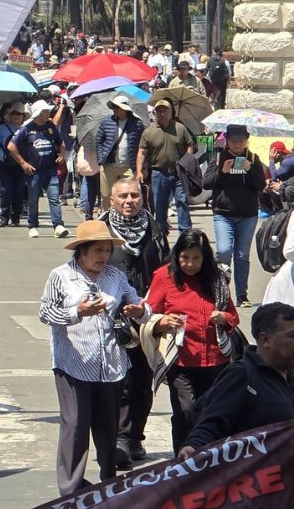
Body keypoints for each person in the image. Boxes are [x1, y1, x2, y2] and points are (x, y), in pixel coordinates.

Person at [39, 220, 150, 496]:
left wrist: (139, 311)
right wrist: (78, 312)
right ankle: (70, 489)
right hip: (73, 364)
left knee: (107, 427)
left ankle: (108, 482)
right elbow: (46, 314)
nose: (104, 256)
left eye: (107, 250)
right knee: (75, 426)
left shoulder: (114, 276)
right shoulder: (61, 276)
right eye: (98, 250)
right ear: (82, 251)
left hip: (111, 364)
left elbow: (138, 303)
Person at [145, 229, 239, 454]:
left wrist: (223, 317)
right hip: (180, 361)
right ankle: (182, 461)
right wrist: (164, 321)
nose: (190, 263)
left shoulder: (216, 278)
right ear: (177, 255)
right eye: (185, 257)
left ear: (204, 257)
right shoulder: (163, 276)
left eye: (196, 258)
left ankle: (209, 462)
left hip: (216, 360)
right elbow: (148, 314)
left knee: (211, 413)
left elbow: (233, 317)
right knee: (185, 412)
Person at [97, 175, 169, 466]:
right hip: (108, 316)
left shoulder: (154, 228)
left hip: (146, 314)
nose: (129, 201)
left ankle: (134, 437)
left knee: (142, 379)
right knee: (117, 381)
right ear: (112, 199)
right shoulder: (100, 228)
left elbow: (165, 271)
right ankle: (118, 438)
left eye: (135, 196)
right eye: (123, 196)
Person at [177, 302, 294, 458]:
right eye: (292, 336)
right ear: (265, 340)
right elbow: (212, 420)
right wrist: (193, 446)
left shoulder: (289, 377)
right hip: (253, 477)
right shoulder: (242, 375)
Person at [202, 123, 265, 307]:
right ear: (227, 141)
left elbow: (261, 185)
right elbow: (206, 183)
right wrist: (222, 172)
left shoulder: (253, 158)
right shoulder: (219, 157)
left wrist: (250, 169)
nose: (237, 144)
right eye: (233, 140)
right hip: (223, 214)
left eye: (241, 140)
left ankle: (241, 295)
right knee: (223, 251)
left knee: (242, 255)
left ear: (246, 141)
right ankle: (220, 290)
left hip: (248, 215)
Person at [10, 100, 69, 239]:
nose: (48, 113)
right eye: (45, 111)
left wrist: (62, 155)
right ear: (38, 113)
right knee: (33, 199)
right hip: (34, 171)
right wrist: (23, 163)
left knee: (54, 198)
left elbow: (61, 143)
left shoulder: (51, 126)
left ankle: (58, 225)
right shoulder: (26, 128)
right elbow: (11, 147)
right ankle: (33, 226)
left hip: (51, 170)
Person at [136, 98, 195, 236]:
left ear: (171, 112)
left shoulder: (180, 128)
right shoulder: (148, 131)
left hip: (179, 173)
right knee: (160, 206)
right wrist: (139, 170)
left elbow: (189, 145)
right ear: (155, 113)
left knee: (182, 202)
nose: (162, 113)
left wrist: (188, 161)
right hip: (159, 173)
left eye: (165, 110)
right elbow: (141, 152)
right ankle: (161, 234)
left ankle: (186, 234)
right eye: (159, 111)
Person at [95, 95, 144, 212]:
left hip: (129, 166)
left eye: (118, 107)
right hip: (109, 165)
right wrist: (101, 158)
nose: (115, 109)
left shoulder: (137, 124)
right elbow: (99, 141)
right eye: (114, 107)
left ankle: (128, 217)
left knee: (130, 194)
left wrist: (141, 167)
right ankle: (107, 218)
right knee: (107, 195)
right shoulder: (106, 122)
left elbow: (142, 145)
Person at [0, 103, 27, 227]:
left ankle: (16, 216)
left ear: (23, 116)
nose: (16, 116)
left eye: (18, 114)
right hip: (5, 164)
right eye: (13, 113)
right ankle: (4, 216)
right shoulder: (2, 128)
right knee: (5, 190)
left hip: (21, 164)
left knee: (19, 191)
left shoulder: (27, 128)